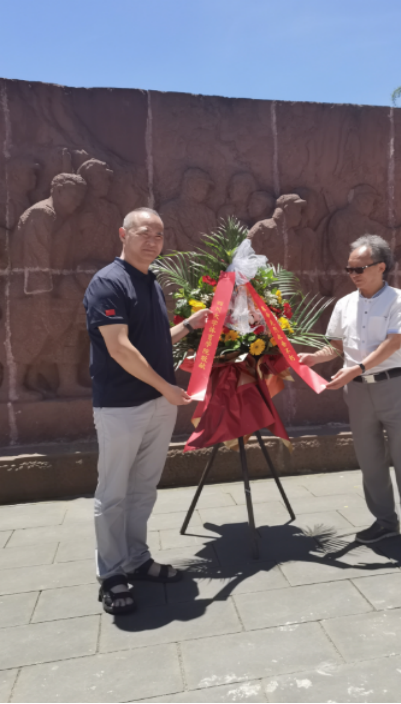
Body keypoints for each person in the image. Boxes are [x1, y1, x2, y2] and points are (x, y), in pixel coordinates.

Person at [83, 207, 211, 616]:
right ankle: (111, 573)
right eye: (144, 233)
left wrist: (188, 325)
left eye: (159, 235)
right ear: (123, 234)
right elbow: (120, 347)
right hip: (121, 406)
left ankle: (136, 560)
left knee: (143, 489)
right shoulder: (108, 282)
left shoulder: (150, 282)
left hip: (158, 404)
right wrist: (167, 388)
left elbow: (151, 341)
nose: (153, 241)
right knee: (113, 494)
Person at [299, 235, 401, 556]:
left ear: (381, 267)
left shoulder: (399, 300)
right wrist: (313, 358)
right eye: (349, 269)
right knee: (369, 460)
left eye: (360, 268)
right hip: (358, 392)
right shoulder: (344, 304)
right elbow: (336, 347)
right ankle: (385, 522)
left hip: (392, 386)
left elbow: (393, 343)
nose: (353, 274)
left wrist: (356, 368)